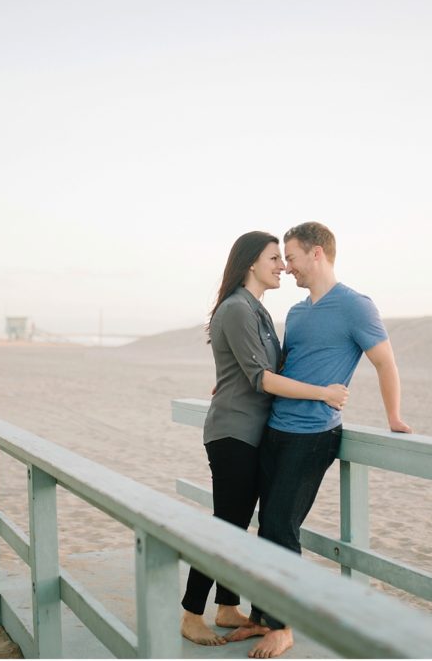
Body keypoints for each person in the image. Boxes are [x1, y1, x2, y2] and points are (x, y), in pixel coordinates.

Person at [228, 221, 412, 659]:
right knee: (266, 525)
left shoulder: (356, 306)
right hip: (276, 427)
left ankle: (284, 626)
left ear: (317, 254)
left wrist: (394, 417)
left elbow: (385, 363)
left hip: (314, 434)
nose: (286, 267)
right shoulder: (296, 312)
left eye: (290, 257)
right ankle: (261, 616)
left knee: (281, 526)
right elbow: (281, 366)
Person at [180, 230, 351, 647]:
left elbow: (254, 369)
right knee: (226, 525)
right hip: (233, 433)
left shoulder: (256, 310)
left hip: (253, 432)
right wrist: (324, 393)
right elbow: (260, 379)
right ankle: (190, 612)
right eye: (274, 258)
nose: (282, 266)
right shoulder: (239, 309)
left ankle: (225, 606)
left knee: (236, 524)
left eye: (283, 259)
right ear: (251, 263)